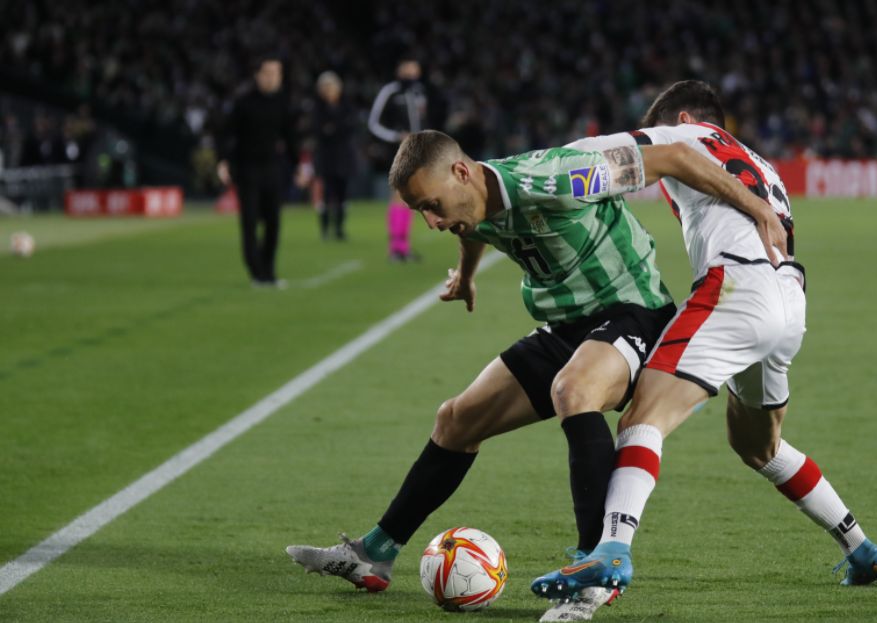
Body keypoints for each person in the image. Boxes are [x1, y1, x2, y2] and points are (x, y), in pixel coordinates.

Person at [284, 129, 788, 607]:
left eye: (431, 207)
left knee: (573, 390)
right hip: (565, 326)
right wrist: (466, 274)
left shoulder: (558, 177)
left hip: (633, 313)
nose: (431, 223)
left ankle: (595, 565)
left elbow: (674, 158)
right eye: (420, 212)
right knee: (456, 420)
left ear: (461, 172)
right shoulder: (471, 199)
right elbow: (473, 223)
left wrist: (758, 207)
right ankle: (375, 555)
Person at [532, 81, 877, 605]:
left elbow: (605, 153)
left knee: (642, 417)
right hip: (789, 299)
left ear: (683, 118)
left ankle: (611, 549)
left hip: (734, 288)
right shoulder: (759, 164)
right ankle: (862, 549)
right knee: (758, 445)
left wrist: (529, 174)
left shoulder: (686, 137)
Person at [217, 55, 307, 288]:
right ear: (257, 75)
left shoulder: (283, 102)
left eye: (277, 73)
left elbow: (290, 137)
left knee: (273, 222)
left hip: (273, 169)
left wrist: (298, 166)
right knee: (249, 222)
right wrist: (224, 161)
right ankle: (257, 273)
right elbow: (227, 134)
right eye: (268, 73)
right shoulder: (243, 102)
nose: (273, 78)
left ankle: (269, 271)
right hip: (247, 169)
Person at [368, 58, 441, 261]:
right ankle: (396, 247)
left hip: (418, 151)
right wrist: (396, 137)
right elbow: (374, 123)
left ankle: (401, 247)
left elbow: (424, 121)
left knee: (409, 197)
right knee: (400, 195)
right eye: (407, 66)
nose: (411, 71)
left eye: (414, 67)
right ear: (399, 69)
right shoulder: (390, 91)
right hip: (398, 150)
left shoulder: (420, 92)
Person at [311, 71, 357, 241]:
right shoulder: (317, 108)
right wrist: (336, 128)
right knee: (325, 194)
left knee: (342, 193)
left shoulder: (347, 106)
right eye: (325, 87)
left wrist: (332, 128)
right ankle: (325, 229)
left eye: (331, 87)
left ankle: (339, 228)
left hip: (343, 157)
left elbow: (350, 128)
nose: (329, 90)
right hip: (325, 157)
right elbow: (319, 131)